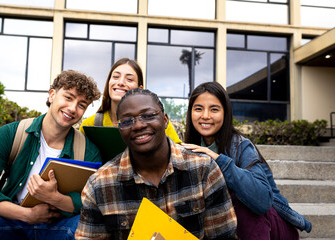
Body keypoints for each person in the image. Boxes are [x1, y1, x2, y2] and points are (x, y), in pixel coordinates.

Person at [75, 88, 237, 240]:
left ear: (165, 120)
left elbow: (223, 235)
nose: (138, 125)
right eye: (127, 121)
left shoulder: (204, 170)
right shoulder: (100, 185)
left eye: (148, 115)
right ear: (119, 130)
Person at [0, 70, 102, 240]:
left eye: (81, 104)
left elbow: (94, 200)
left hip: (60, 227)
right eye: (68, 97)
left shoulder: (88, 150)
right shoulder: (11, 134)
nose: (72, 108)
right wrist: (27, 214)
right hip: (12, 221)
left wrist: (55, 198)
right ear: (52, 95)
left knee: (90, 226)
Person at [182, 82, 312, 239]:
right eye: (198, 109)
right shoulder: (188, 148)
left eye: (214, 109)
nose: (205, 116)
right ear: (190, 113)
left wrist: (219, 160)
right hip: (227, 225)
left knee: (240, 199)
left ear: (225, 113)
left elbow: (262, 202)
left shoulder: (241, 145)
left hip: (273, 226)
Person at [79, 58, 182, 144]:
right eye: (115, 77)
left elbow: (179, 153)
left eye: (129, 79)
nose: (120, 82)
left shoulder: (156, 121)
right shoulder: (90, 125)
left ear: (140, 89)